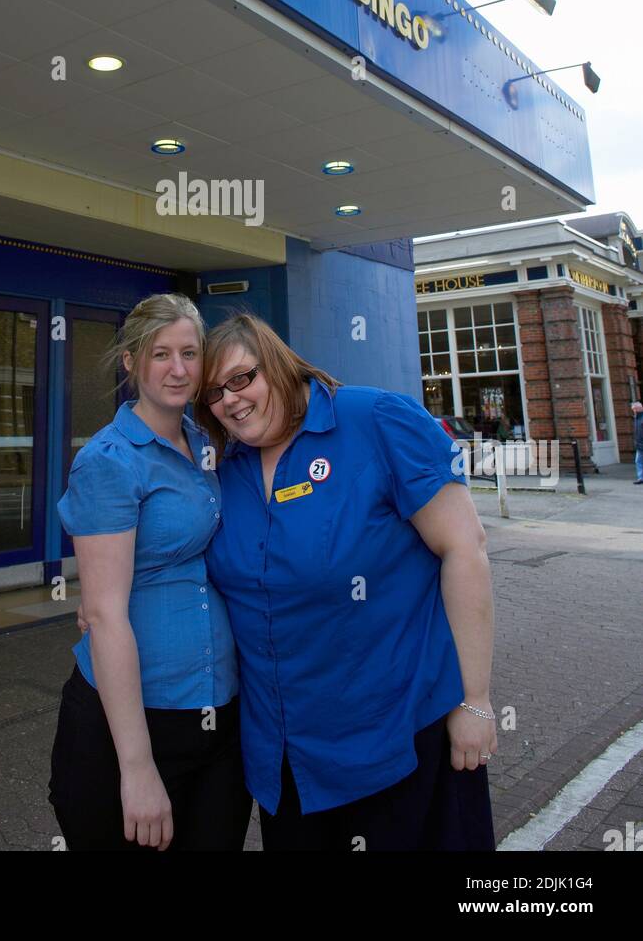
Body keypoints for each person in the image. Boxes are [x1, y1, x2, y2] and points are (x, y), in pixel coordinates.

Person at [192, 312, 497, 852]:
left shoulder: (375, 419)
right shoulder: (227, 468)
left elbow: (464, 548)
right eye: (214, 393)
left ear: (279, 363)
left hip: (396, 738)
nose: (231, 400)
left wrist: (474, 700)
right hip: (284, 757)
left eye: (242, 378)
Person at [47, 293, 252, 851]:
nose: (179, 368)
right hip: (134, 726)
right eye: (161, 354)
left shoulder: (209, 445)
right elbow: (105, 615)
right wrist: (136, 770)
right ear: (131, 361)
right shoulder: (110, 461)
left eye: (190, 352)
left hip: (218, 713)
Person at [632, 401, 643, 484]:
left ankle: (641, 477)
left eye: (634, 409)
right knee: (638, 461)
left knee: (638, 461)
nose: (633, 411)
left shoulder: (640, 419)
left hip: (641, 444)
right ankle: (641, 478)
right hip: (639, 445)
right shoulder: (636, 418)